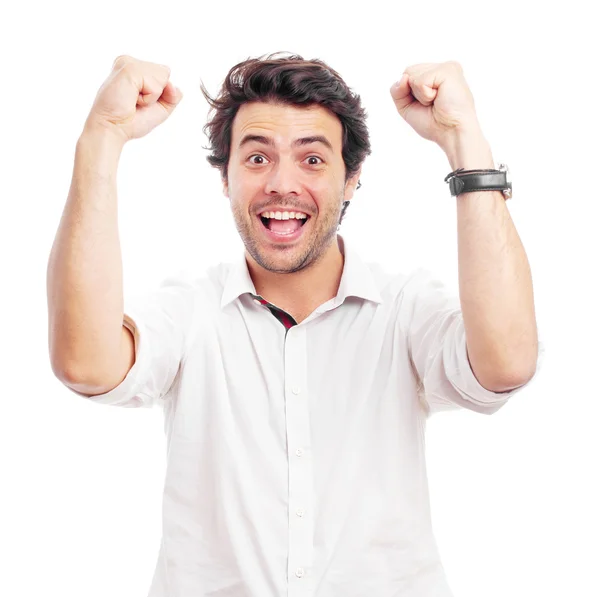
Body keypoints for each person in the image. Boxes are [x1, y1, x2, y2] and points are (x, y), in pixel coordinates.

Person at [47, 52, 542, 597]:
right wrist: (102, 138)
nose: (283, 184)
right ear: (225, 177)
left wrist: (464, 140)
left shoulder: (406, 307)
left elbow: (507, 363)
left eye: (312, 160)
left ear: (351, 179)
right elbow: (86, 363)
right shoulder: (189, 309)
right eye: (257, 159)